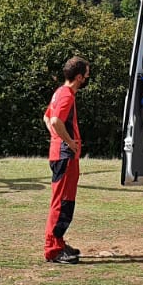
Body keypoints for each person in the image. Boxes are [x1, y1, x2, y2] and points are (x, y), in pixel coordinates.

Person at [42, 56, 90, 264]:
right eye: (87, 75)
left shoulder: (60, 93)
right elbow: (54, 120)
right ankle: (52, 249)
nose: (88, 78)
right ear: (79, 77)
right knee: (61, 203)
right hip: (65, 156)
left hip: (61, 154)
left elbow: (46, 118)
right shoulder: (67, 95)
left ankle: (58, 243)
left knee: (65, 202)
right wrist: (69, 142)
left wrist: (57, 138)